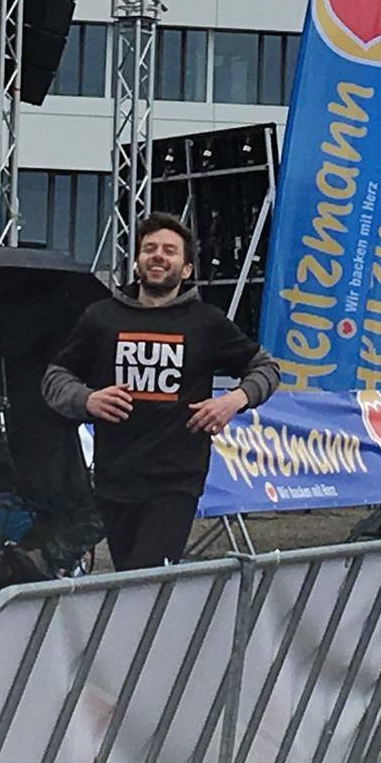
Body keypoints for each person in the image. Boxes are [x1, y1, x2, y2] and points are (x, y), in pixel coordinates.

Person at [43, 212, 280, 570]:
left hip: (176, 480)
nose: (158, 256)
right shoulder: (101, 317)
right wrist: (86, 399)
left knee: (147, 575)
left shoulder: (206, 322)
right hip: (114, 477)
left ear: (185, 269)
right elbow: (55, 376)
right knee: (128, 576)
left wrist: (233, 401)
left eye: (170, 251)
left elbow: (267, 368)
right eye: (149, 248)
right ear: (136, 261)